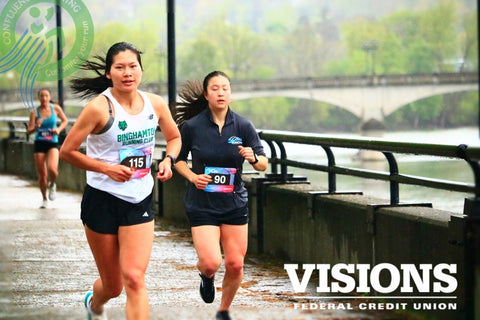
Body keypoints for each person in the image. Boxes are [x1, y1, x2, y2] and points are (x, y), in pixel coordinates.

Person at [59, 42, 181, 320]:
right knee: (113, 286)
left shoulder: (155, 104)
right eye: (120, 67)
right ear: (109, 73)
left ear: (140, 70)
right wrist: (106, 169)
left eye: (133, 66)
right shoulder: (98, 108)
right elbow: (67, 151)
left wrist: (168, 160)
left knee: (135, 278)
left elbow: (174, 138)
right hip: (102, 199)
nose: (127, 73)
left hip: (139, 198)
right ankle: (94, 303)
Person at [173, 71, 268, 320]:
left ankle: (223, 309)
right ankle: (206, 275)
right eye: (215, 88)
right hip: (202, 203)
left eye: (225, 88)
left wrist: (253, 157)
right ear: (206, 94)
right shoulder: (192, 127)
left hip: (234, 203)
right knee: (211, 262)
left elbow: (263, 164)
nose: (221, 92)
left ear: (230, 92)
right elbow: (178, 161)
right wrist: (193, 177)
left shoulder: (243, 126)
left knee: (236, 264)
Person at [27, 88, 68, 209]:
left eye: (46, 96)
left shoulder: (55, 108)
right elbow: (29, 131)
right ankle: (44, 198)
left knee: (52, 170)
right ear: (38, 98)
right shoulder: (34, 112)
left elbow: (65, 121)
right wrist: (36, 127)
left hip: (52, 142)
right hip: (39, 143)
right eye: (41, 96)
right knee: (42, 174)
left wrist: (59, 130)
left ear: (49, 97)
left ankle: (53, 184)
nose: (44, 98)